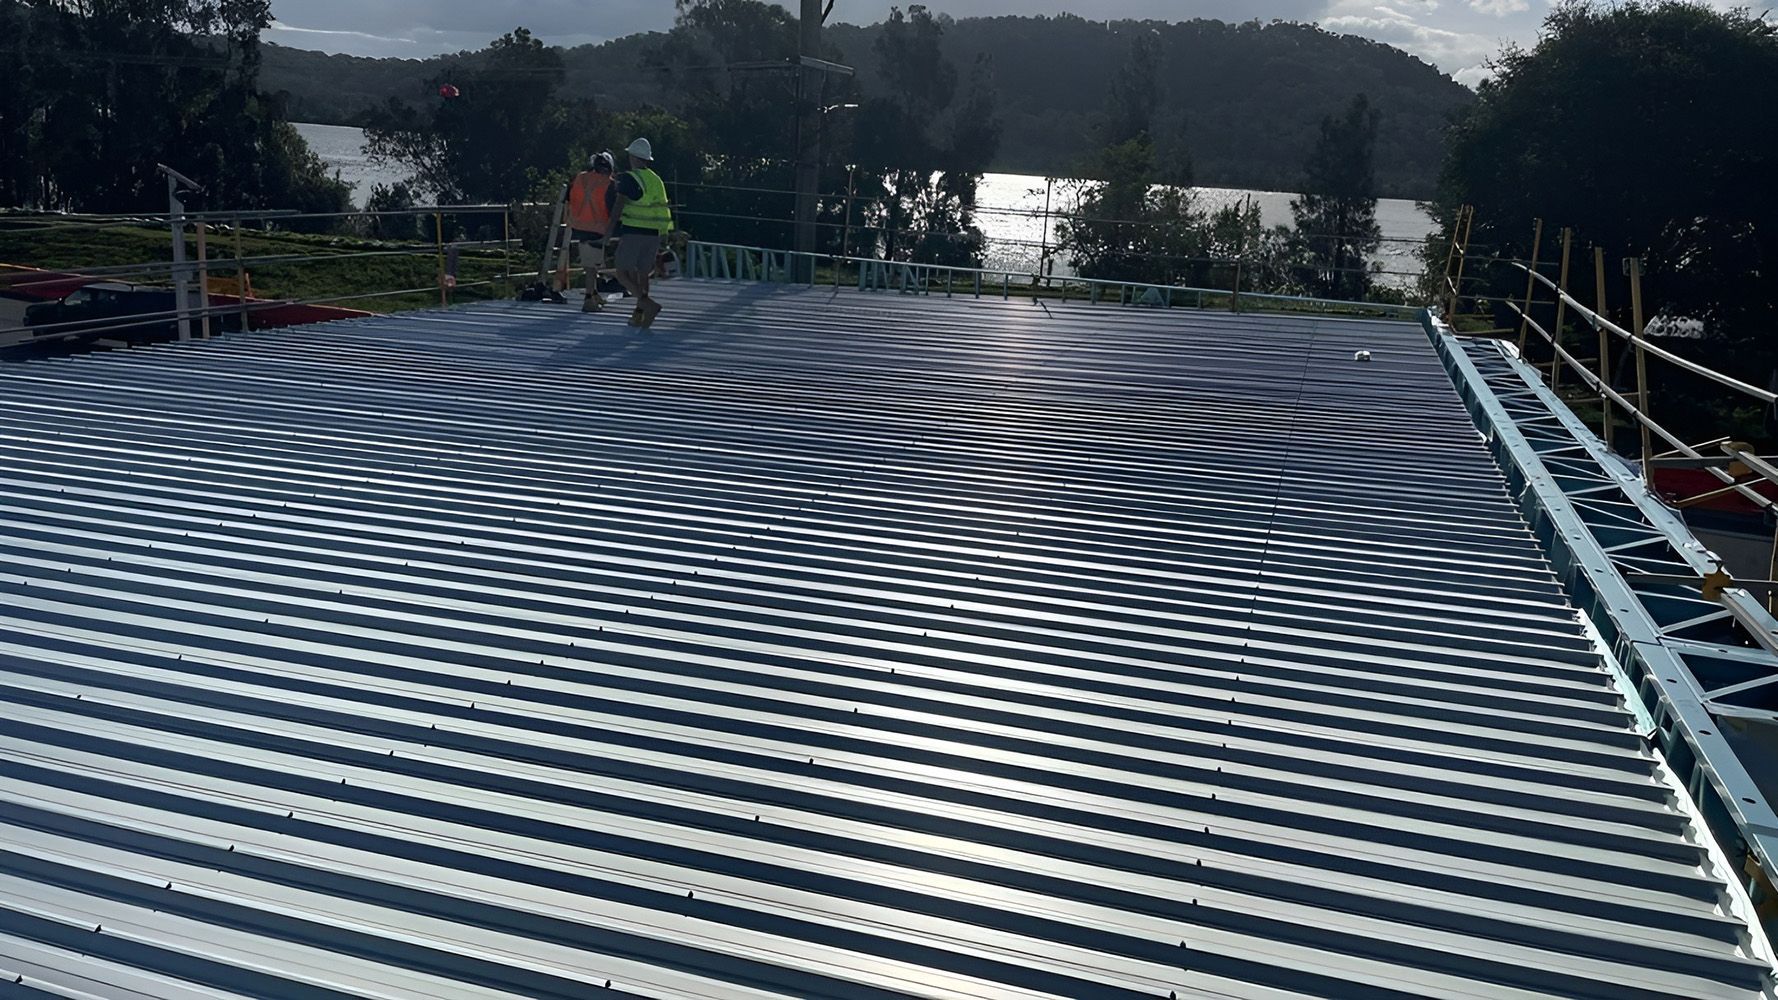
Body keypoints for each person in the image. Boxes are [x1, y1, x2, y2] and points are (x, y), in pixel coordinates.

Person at [607, 137, 674, 327]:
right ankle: (640, 313)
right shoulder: (656, 180)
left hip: (634, 231)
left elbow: (618, 205)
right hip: (653, 233)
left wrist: (608, 232)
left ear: (634, 157)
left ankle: (648, 305)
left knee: (622, 274)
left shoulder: (630, 178)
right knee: (643, 274)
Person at [566, 151, 616, 312]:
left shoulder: (580, 178)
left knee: (591, 265)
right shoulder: (609, 184)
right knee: (591, 266)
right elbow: (612, 208)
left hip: (578, 225)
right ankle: (589, 299)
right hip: (597, 228)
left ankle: (593, 293)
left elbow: (569, 198)